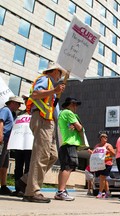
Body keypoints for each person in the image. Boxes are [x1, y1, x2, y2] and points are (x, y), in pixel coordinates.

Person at [21, 62, 66, 203]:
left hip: (48, 122)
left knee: (52, 155)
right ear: (54, 71)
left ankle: (25, 181)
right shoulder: (45, 79)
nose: (60, 76)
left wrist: (56, 92)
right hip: (42, 119)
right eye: (60, 73)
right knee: (41, 155)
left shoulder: (51, 85)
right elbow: (35, 94)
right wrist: (54, 91)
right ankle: (32, 191)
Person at [54, 97, 84, 201]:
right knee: (69, 167)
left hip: (64, 143)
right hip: (69, 143)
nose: (76, 107)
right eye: (75, 104)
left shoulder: (62, 113)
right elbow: (79, 127)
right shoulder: (69, 113)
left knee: (64, 167)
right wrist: (78, 127)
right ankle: (61, 191)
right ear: (70, 104)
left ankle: (61, 190)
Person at [9, 95, 32, 197]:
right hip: (19, 143)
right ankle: (17, 189)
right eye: (26, 100)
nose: (27, 102)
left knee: (28, 167)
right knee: (18, 167)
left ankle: (25, 188)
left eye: (28, 100)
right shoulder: (19, 114)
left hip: (30, 144)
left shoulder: (35, 113)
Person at [0, 96, 24, 195]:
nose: (19, 106)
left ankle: (3, 186)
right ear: (12, 103)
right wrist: (0, 134)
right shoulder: (5, 110)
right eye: (18, 104)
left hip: (7, 142)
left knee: (4, 165)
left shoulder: (12, 113)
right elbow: (1, 122)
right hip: (2, 140)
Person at [89, 133, 115, 199]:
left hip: (107, 163)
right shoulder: (97, 146)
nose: (105, 138)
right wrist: (91, 152)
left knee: (102, 177)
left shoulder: (108, 145)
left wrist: (109, 150)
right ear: (101, 138)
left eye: (106, 137)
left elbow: (114, 154)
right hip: (99, 163)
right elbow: (94, 154)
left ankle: (100, 193)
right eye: (104, 137)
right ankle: (107, 192)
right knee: (103, 178)